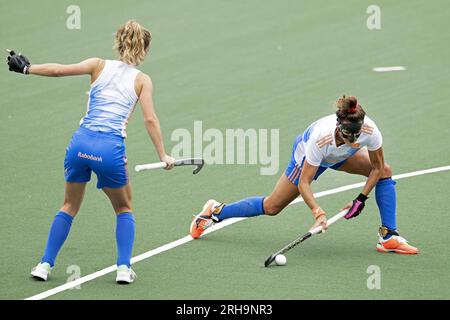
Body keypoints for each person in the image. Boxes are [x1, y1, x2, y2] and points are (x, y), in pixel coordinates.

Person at [7, 20, 175, 284]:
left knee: (69, 205)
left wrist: (27, 68)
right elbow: (150, 119)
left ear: (118, 42)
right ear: (144, 49)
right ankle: (123, 268)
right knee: (123, 208)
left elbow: (58, 71)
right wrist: (163, 155)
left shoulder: (98, 65)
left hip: (80, 145)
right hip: (109, 149)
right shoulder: (143, 80)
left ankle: (44, 265)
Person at [190, 95, 418, 254]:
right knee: (272, 207)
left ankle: (388, 235)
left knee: (386, 171)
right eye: (349, 133)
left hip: (339, 156)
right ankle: (216, 211)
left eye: (357, 133)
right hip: (307, 159)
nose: (354, 139)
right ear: (339, 125)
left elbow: (377, 168)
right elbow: (304, 182)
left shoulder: (369, 130)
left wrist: (361, 199)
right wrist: (318, 212)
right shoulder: (321, 138)